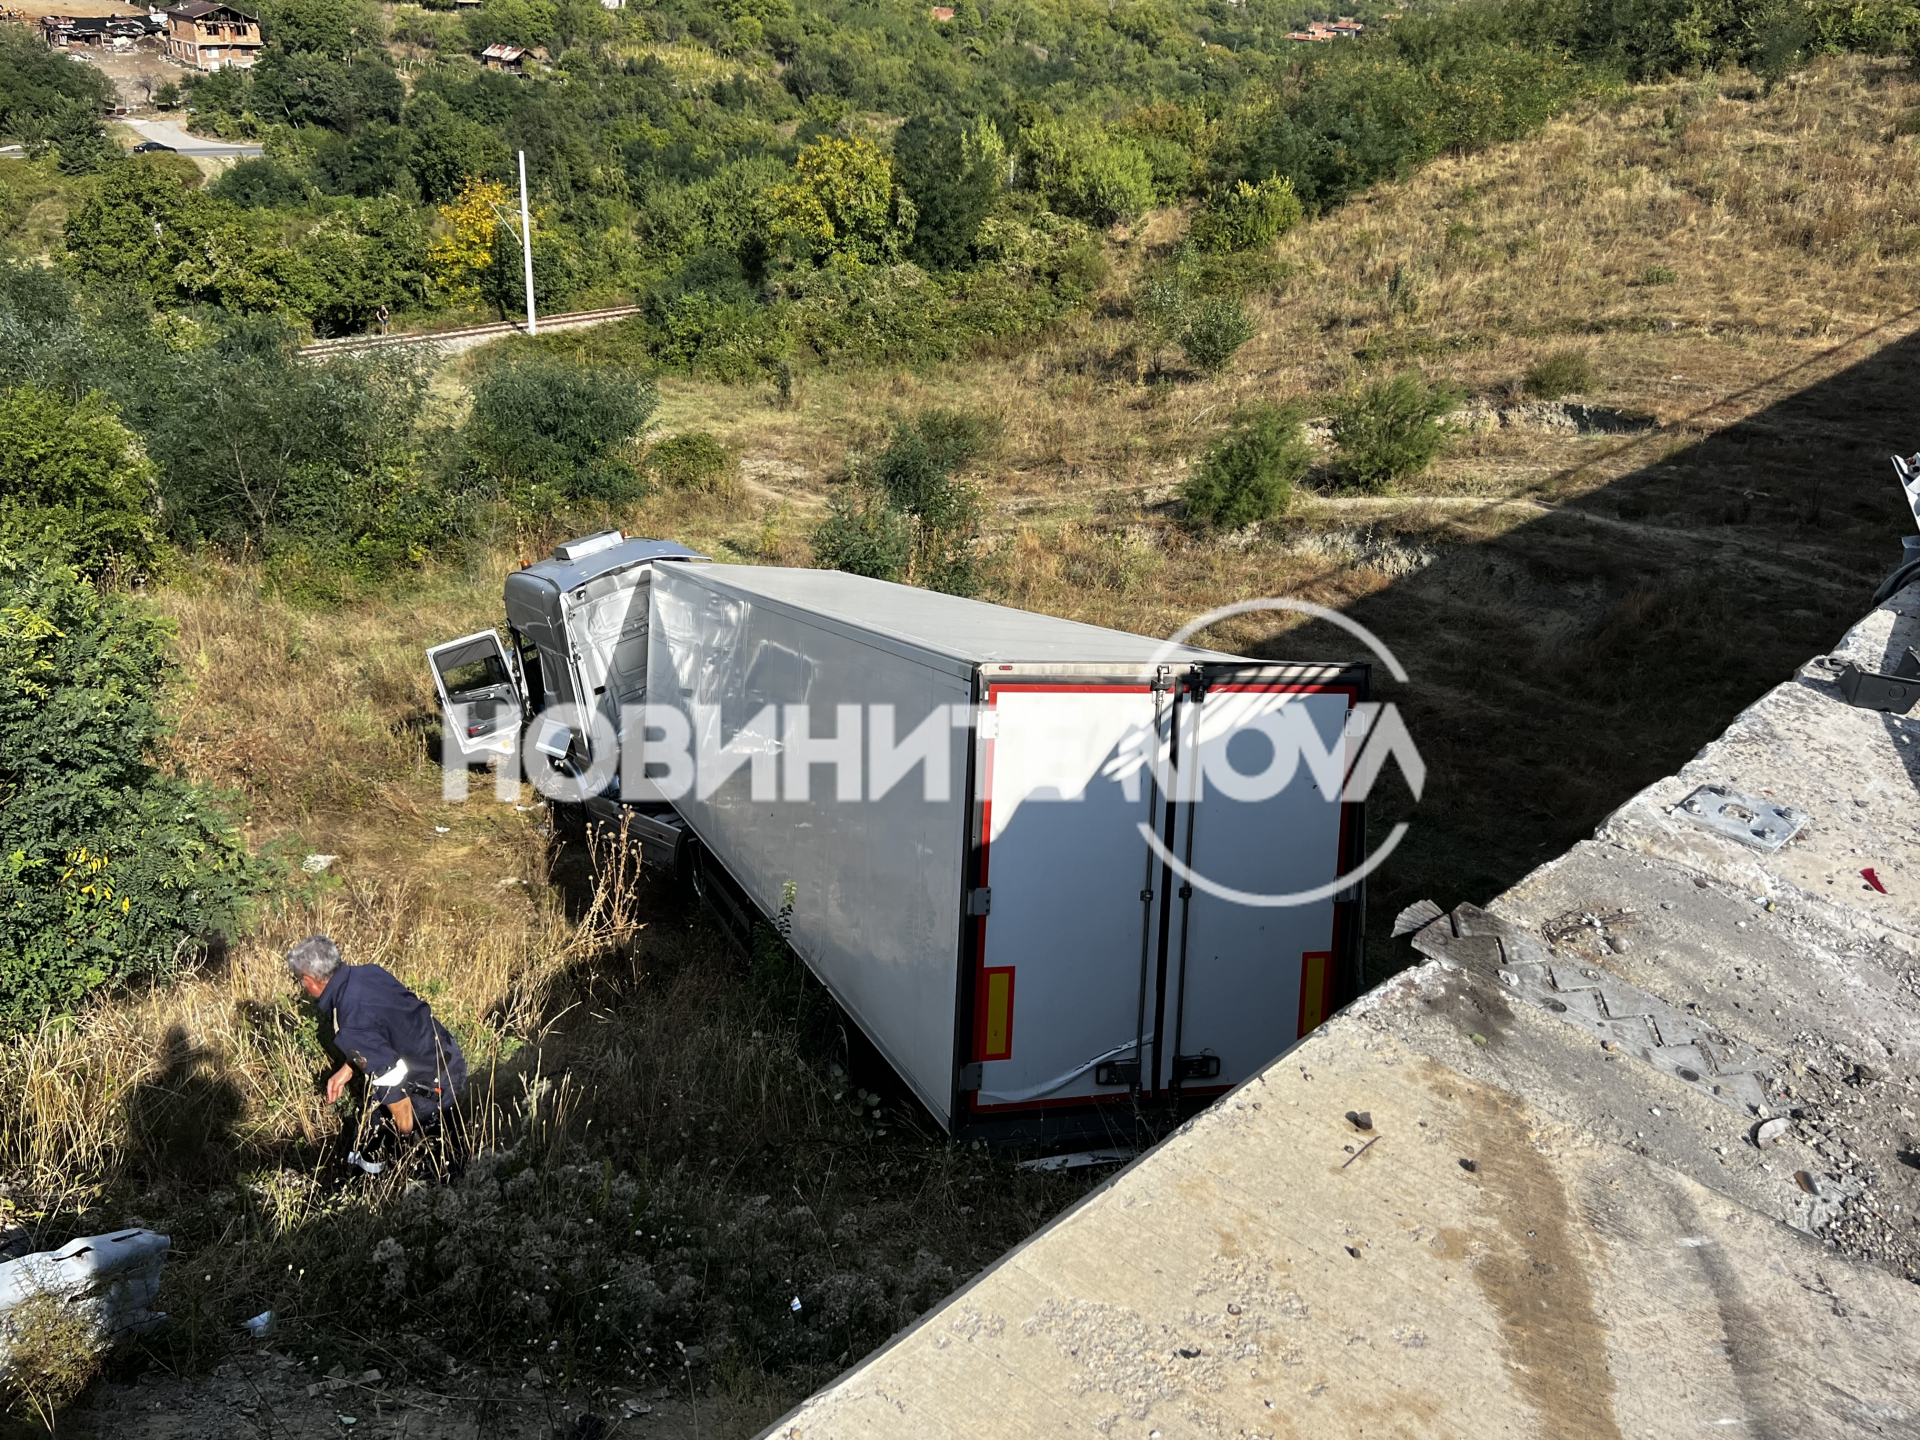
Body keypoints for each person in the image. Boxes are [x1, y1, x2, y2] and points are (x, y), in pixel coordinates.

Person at [287, 936, 467, 1168]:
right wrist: (347, 1069)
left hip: (432, 1086)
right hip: (447, 1057)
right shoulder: (370, 973)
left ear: (309, 980)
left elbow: (393, 1090)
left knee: (369, 1147)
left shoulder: (351, 1019)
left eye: (299, 982)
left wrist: (403, 1142)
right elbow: (382, 1030)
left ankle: (379, 1183)